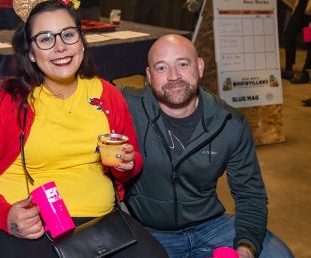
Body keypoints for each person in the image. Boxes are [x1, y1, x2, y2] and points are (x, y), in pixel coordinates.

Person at [0, 0, 146, 258]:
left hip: (98, 223)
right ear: (30, 52)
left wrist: (126, 164)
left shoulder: (108, 96)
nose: (60, 47)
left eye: (68, 34)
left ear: (81, 40)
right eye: (45, 39)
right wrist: (4, 215)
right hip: (20, 220)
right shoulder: (5, 104)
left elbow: (132, 160)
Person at [122, 34, 295, 258]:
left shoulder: (230, 123)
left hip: (210, 226)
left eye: (183, 64)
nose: (174, 76)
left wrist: (246, 249)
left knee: (279, 255)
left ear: (200, 66)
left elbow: (249, 195)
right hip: (150, 231)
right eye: (162, 68)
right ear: (149, 76)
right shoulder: (127, 107)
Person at [281, 0, 311, 83]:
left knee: (309, 38)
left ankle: (306, 72)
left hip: (310, 3)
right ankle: (289, 69)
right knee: (289, 34)